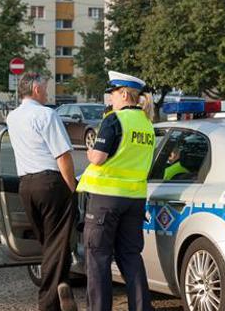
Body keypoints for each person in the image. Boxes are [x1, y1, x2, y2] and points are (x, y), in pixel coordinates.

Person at [77, 71, 156, 311]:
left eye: (112, 93)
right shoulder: (146, 124)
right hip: (134, 200)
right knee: (130, 256)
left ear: (123, 93)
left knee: (98, 258)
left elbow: (99, 158)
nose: (110, 98)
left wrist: (89, 151)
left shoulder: (114, 120)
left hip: (105, 201)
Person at [6, 73, 78, 311]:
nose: (48, 92)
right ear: (36, 89)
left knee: (49, 243)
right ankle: (48, 303)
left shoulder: (12, 117)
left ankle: (62, 287)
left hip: (25, 186)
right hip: (51, 184)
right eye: (45, 88)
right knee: (57, 243)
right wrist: (72, 188)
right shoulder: (47, 115)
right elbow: (63, 156)